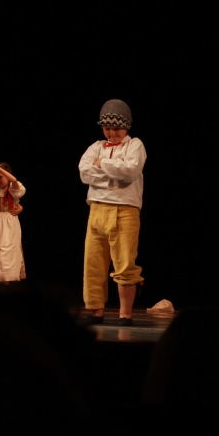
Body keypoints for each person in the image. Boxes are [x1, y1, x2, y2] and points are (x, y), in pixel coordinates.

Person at [78, 99, 146, 327]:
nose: (111, 133)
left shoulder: (135, 145)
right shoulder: (95, 146)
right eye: (107, 128)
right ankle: (95, 310)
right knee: (93, 263)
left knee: (125, 263)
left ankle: (125, 313)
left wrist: (102, 165)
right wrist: (112, 170)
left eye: (116, 128)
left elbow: (129, 172)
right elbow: (84, 173)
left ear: (126, 126)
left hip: (124, 210)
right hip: (96, 208)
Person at [0, 162, 27, 284]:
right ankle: (0, 284)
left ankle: (8, 284)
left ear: (7, 174)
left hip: (9, 223)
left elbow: (14, 180)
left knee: (7, 253)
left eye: (0, 177)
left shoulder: (12, 188)